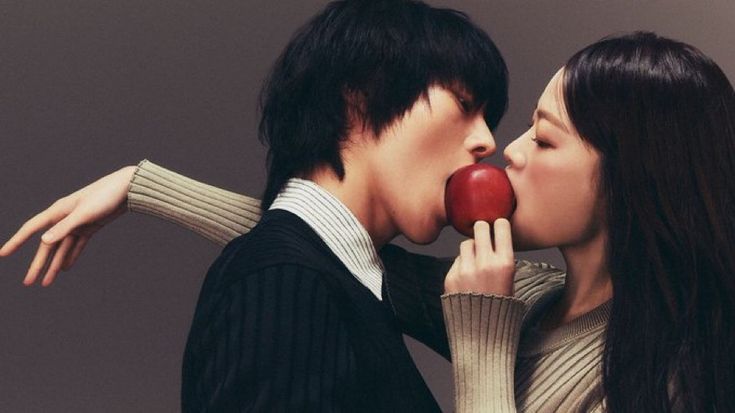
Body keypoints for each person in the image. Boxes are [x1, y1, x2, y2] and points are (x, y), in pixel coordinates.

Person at [3, 32, 734, 413]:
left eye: (542, 139)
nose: (502, 149)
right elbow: (329, 241)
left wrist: (480, 334)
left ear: (632, 175)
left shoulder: (672, 371)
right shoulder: (527, 295)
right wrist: (143, 186)